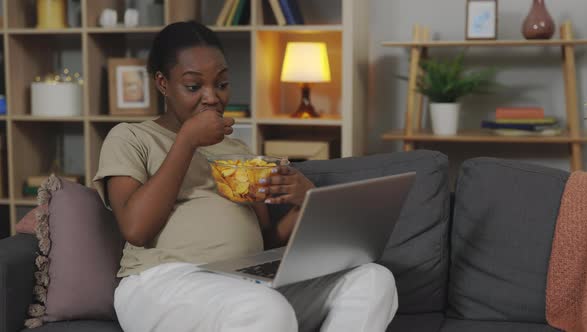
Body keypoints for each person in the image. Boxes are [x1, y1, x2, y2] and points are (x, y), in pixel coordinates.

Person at [93, 21, 398, 332]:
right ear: (162, 83)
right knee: (265, 310)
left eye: (221, 84)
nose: (212, 97)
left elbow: (263, 240)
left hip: (244, 281)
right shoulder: (131, 137)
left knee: (373, 279)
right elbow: (136, 229)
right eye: (194, 86)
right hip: (163, 282)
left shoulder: (238, 148)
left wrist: (306, 201)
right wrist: (186, 141)